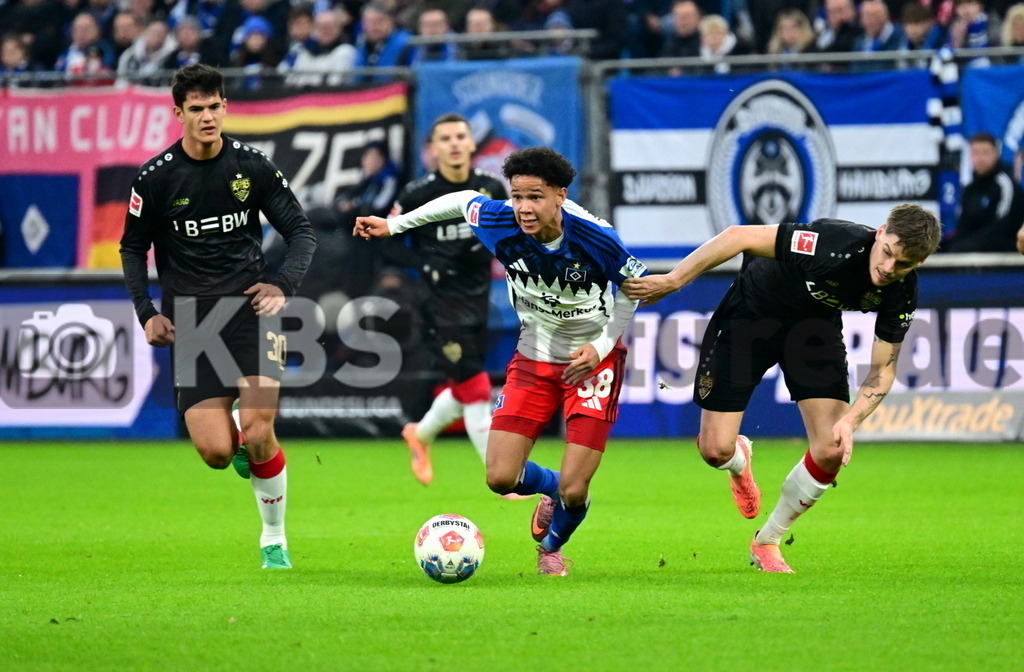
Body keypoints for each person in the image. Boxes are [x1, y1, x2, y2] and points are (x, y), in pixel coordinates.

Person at [355, 147, 647, 575]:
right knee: (500, 478)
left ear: (561, 196)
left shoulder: (594, 236)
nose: (524, 208)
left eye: (536, 196)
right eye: (516, 196)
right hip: (533, 355)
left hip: (593, 363)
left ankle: (551, 547)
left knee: (576, 488)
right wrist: (396, 225)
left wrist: (601, 348)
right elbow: (459, 201)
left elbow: (633, 285)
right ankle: (549, 489)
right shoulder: (499, 219)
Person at [621, 203, 941, 573]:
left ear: (917, 263)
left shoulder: (901, 292)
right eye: (886, 253)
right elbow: (739, 236)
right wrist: (673, 280)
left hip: (812, 332)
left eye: (902, 264)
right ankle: (738, 461)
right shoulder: (832, 243)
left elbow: (883, 369)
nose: (888, 269)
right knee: (714, 450)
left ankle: (768, 541)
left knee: (832, 449)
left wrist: (850, 421)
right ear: (881, 231)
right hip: (751, 316)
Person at [119, 64, 317, 569]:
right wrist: (146, 312)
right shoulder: (157, 177)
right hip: (191, 321)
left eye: (215, 106)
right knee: (214, 452)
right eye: (197, 108)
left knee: (257, 431)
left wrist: (281, 283)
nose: (207, 116)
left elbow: (300, 232)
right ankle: (235, 439)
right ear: (178, 112)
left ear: (225, 107)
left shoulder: (251, 166)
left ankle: (273, 538)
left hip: (252, 310)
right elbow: (131, 248)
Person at [379, 114, 507, 486]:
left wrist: (478, 252)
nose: (453, 143)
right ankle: (501, 477)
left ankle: (418, 434)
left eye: (460, 136)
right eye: (445, 138)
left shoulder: (489, 188)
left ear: (471, 144)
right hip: (437, 303)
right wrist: (427, 262)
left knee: (464, 385)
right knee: (478, 387)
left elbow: (505, 234)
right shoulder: (418, 194)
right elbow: (387, 242)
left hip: (477, 299)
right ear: (432, 149)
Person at [942, 132, 1024, 253]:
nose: (980, 158)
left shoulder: (1005, 184)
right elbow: (963, 227)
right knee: (937, 249)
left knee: (961, 248)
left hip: (1006, 246)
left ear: (996, 154)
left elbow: (1001, 227)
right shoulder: (969, 188)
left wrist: (966, 244)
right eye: (976, 153)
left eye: (986, 153)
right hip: (976, 243)